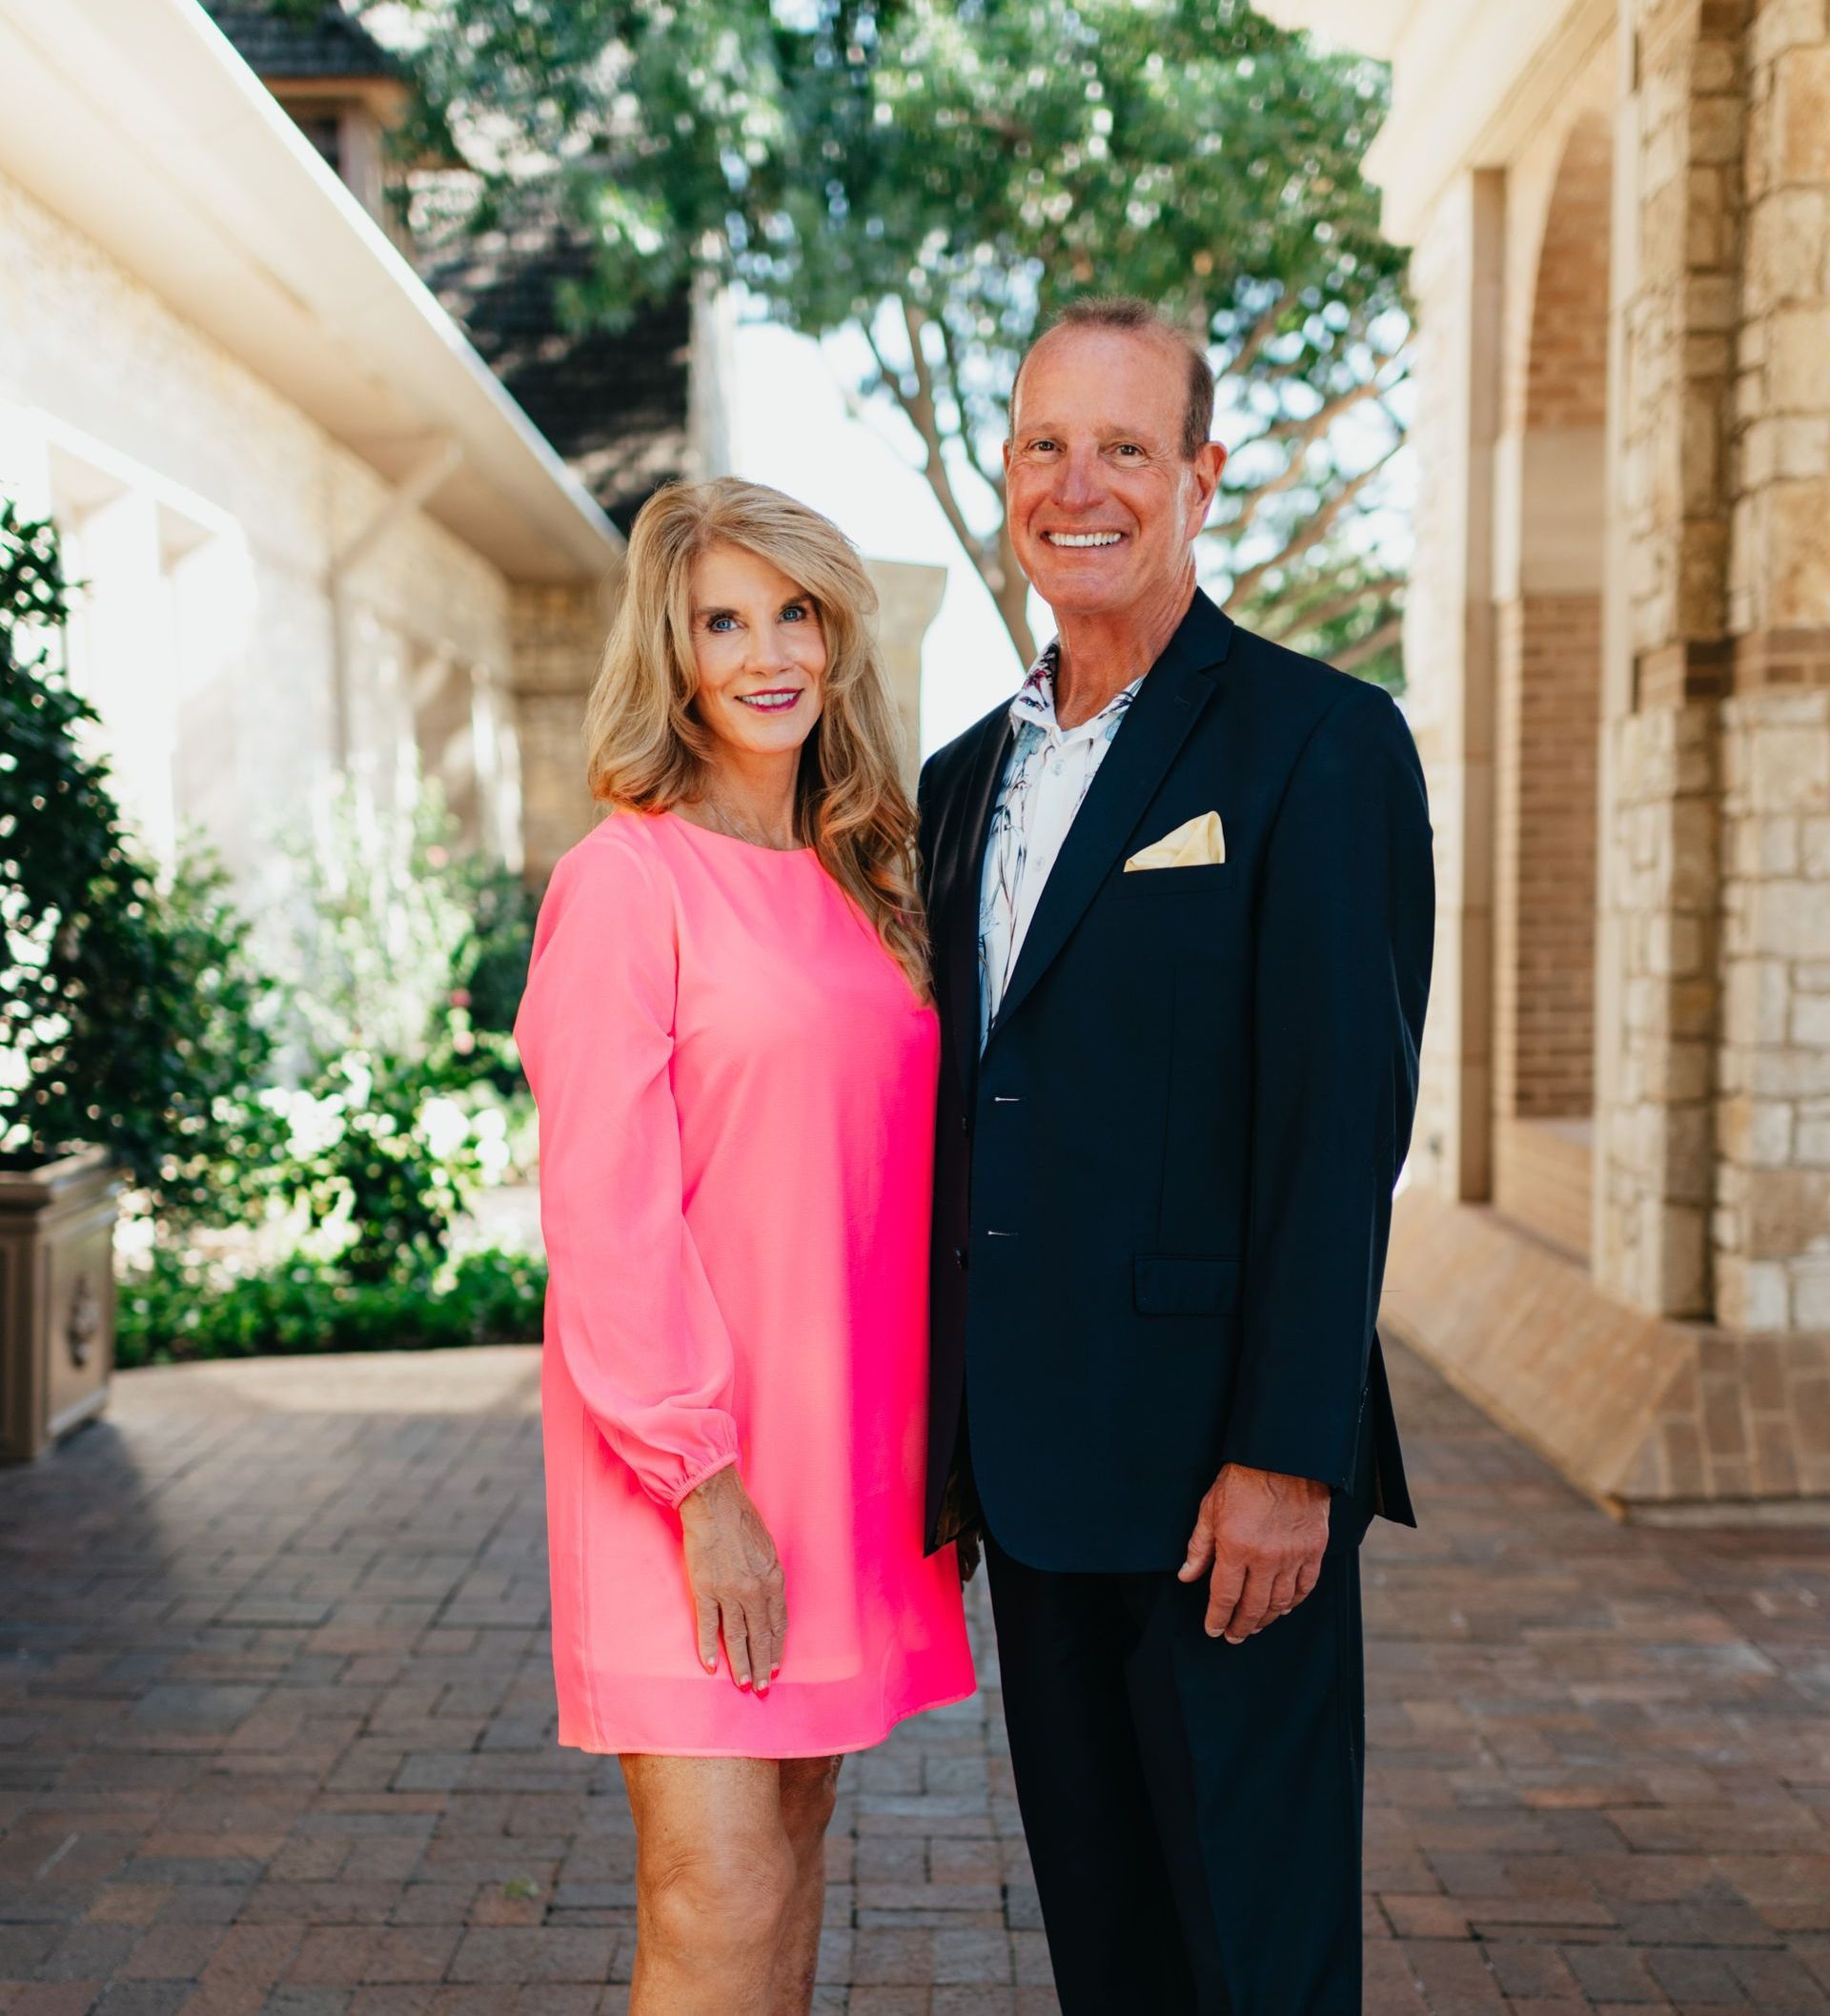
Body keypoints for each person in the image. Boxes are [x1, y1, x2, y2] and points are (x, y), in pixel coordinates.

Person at [918, 296, 1435, 2014]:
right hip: (1030, 1479)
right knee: (1112, 1956)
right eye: (1046, 447)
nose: (1080, 487)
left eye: (1126, 449)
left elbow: (1339, 1128)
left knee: (1254, 1964)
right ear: (1006, 471)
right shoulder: (959, 781)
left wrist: (1288, 1452)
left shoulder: (1319, 742)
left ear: (1201, 480)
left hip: (1224, 1489)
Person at [515, 478, 975, 2016]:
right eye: (724, 622)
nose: (769, 654)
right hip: (684, 1476)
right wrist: (703, 1484)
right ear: (675, 653)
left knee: (789, 1850)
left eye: (796, 615)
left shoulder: (871, 886)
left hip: (850, 1464)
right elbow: (605, 1208)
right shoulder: (624, 882)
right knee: (715, 1895)